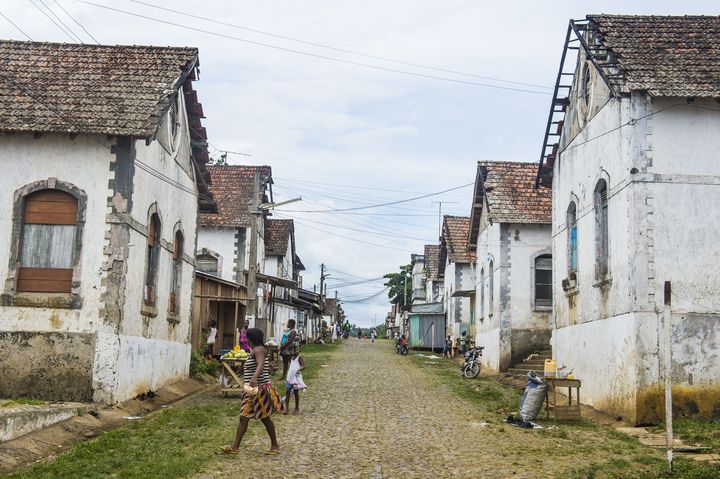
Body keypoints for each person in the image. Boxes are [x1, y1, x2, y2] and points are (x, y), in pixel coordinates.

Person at [221, 328, 285, 455]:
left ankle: (275, 445)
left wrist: (254, 378)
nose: (246, 340)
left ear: (251, 338)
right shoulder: (254, 351)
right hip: (251, 391)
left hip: (260, 390)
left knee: (265, 418)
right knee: (244, 417)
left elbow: (260, 364)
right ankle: (235, 447)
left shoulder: (259, 350)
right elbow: (253, 366)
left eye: (247, 338)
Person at [283, 345, 306, 414]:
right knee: (287, 391)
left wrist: (299, 369)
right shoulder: (291, 357)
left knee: (296, 392)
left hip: (296, 379)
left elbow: (303, 365)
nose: (291, 352)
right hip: (290, 378)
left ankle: (296, 408)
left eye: (293, 351)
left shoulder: (299, 357)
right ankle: (286, 408)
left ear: (296, 350)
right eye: (291, 351)